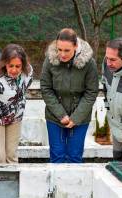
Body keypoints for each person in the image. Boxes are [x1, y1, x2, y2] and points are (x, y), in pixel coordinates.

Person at [40, 28, 99, 163]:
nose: (62, 54)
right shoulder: (49, 60)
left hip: (80, 117)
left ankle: (74, 184)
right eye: (59, 49)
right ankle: (55, 185)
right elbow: (46, 89)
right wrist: (61, 115)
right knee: (57, 156)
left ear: (76, 46)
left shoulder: (89, 63)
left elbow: (91, 93)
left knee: (74, 157)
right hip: (54, 117)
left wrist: (76, 118)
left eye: (67, 50)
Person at [0, 44, 33, 164]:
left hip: (15, 117)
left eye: (18, 66)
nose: (14, 70)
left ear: (23, 65)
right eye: (10, 66)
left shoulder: (28, 72)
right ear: (4, 63)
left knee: (11, 156)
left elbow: (24, 88)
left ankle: (13, 182)